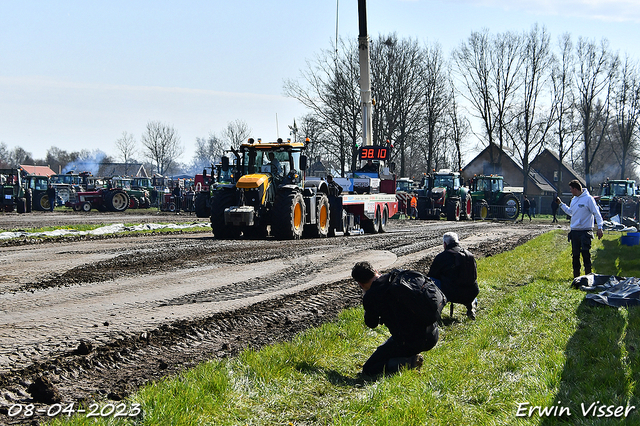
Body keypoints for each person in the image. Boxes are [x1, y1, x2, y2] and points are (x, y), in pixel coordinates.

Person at [351, 261, 439, 376]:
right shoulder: (398, 275)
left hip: (409, 341)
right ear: (376, 271)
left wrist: (366, 297)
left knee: (369, 368)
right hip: (432, 333)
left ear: (360, 284)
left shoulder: (372, 295)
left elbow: (371, 323)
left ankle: (410, 362)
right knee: (389, 345)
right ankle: (409, 356)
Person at [556, 180, 604, 278]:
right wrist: (561, 204)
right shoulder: (574, 200)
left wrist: (600, 227)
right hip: (575, 232)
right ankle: (576, 277)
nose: (570, 191)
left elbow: (596, 213)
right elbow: (571, 212)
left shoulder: (588, 199)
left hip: (585, 232)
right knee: (575, 255)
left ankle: (588, 276)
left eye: (571, 189)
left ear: (575, 189)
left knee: (586, 254)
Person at [427, 232, 479, 319]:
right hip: (472, 293)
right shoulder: (469, 255)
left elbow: (432, 275)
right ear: (458, 242)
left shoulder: (442, 257)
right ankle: (471, 304)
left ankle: (436, 309)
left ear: (445, 244)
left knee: (431, 280)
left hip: (452, 294)